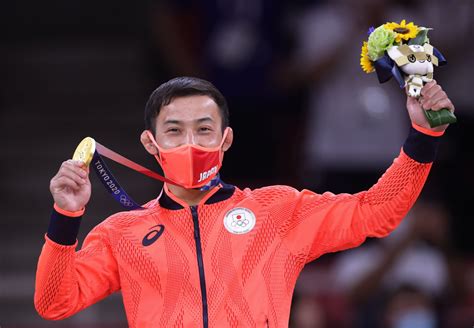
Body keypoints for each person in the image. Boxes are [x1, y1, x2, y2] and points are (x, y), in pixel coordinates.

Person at [34, 76, 455, 327]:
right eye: (175, 131)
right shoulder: (120, 233)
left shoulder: (278, 212)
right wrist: (66, 217)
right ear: (150, 142)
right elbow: (55, 301)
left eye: (203, 129)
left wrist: (423, 137)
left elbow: (374, 212)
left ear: (226, 139)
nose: (191, 143)